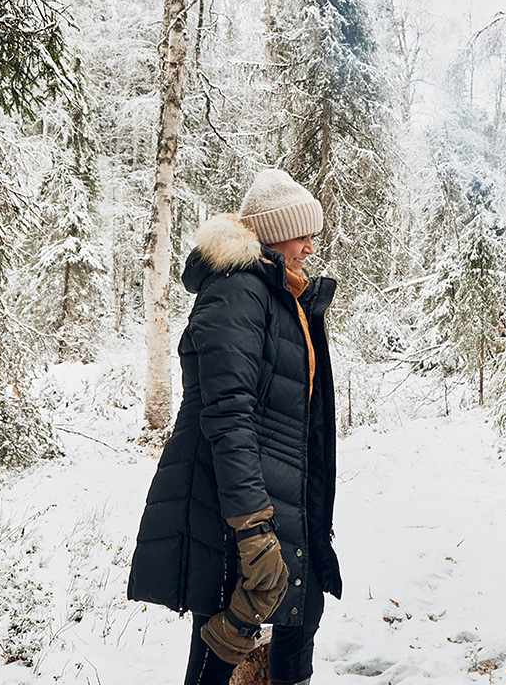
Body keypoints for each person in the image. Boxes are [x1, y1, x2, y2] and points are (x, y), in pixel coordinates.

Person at [128, 169, 342, 685]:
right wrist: (254, 529)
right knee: (220, 661)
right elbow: (228, 414)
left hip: (282, 509)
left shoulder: (281, 294)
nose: (311, 247)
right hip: (238, 516)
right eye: (302, 235)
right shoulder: (238, 293)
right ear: (271, 234)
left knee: (291, 642)